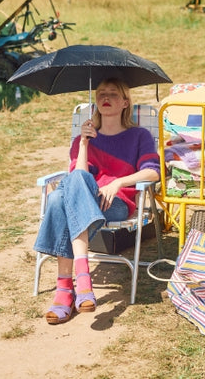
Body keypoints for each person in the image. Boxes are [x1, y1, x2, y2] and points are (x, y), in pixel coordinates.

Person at [34, 77, 159, 324]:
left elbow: (153, 172)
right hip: (84, 200)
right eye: (101, 93)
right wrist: (83, 144)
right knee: (63, 195)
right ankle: (82, 282)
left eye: (113, 93)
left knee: (59, 199)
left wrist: (118, 182)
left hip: (115, 204)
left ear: (125, 102)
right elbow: (77, 177)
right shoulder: (85, 138)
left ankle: (64, 290)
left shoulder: (139, 136)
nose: (105, 97)